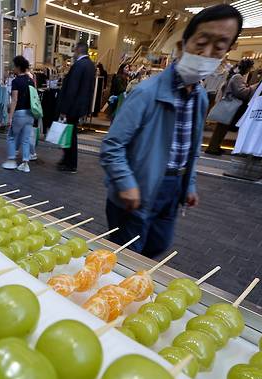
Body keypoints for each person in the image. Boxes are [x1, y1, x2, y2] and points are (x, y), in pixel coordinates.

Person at [100, 4, 244, 258]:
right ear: (183, 44)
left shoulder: (199, 97)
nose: (207, 53)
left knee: (157, 247)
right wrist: (126, 183)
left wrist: (189, 185)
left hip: (171, 189)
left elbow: (192, 149)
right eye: (201, 43)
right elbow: (112, 145)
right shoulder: (145, 92)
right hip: (137, 190)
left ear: (227, 52)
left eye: (219, 48)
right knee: (127, 258)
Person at [56, 42, 96, 173]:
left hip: (72, 107)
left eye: (74, 51)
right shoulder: (90, 65)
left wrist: (64, 109)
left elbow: (72, 89)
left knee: (70, 135)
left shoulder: (79, 65)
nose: (73, 53)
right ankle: (67, 159)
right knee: (71, 134)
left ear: (78, 50)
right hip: (80, 106)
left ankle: (70, 163)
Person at [205, 58, 256, 155]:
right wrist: (253, 87)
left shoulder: (234, 76)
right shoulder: (238, 77)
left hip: (228, 104)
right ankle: (213, 148)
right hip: (230, 105)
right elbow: (241, 93)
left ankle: (215, 147)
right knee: (221, 128)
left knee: (221, 128)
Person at [1, 55, 35, 173]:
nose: (13, 69)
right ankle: (25, 164)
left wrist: (10, 117)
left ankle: (11, 160)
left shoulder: (16, 81)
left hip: (19, 113)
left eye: (14, 66)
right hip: (30, 114)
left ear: (18, 67)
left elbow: (14, 100)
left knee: (11, 137)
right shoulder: (31, 80)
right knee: (25, 139)